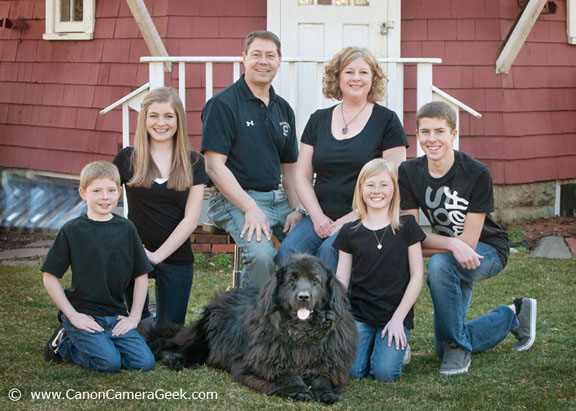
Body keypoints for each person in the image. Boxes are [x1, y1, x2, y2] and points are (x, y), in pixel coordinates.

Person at [398, 101, 537, 376]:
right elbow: (410, 236)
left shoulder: (475, 173)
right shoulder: (408, 172)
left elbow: (470, 242)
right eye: (425, 132)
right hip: (452, 250)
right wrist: (448, 243)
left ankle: (458, 346)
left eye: (440, 131)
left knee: (440, 265)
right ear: (417, 135)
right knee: (441, 350)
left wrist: (441, 245)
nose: (432, 139)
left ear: (454, 134)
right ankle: (514, 314)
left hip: (489, 250)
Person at [276, 46, 408, 273]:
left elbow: (393, 181)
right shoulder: (318, 119)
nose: (356, 78)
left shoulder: (387, 121)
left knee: (331, 251)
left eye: (363, 72)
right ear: (337, 77)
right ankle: (300, 309)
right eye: (349, 71)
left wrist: (347, 219)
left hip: (366, 215)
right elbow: (303, 176)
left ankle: (336, 309)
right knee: (288, 253)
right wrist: (317, 218)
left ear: (373, 78)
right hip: (321, 215)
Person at [201, 30, 304, 289]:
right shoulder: (223, 104)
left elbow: (290, 169)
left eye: (270, 55)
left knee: (310, 245)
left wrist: (296, 209)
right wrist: (250, 208)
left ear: (279, 60)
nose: (263, 61)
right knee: (261, 256)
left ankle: (295, 314)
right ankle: (252, 320)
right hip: (233, 199)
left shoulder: (283, 109)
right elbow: (214, 166)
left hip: (277, 199)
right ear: (244, 58)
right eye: (256, 55)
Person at [42, 161, 155, 373]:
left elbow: (141, 275)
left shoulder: (127, 229)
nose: (105, 197)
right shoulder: (72, 230)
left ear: (119, 192)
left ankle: (102, 342)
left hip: (114, 315)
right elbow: (49, 276)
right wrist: (73, 315)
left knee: (144, 364)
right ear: (83, 193)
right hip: (83, 314)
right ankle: (64, 343)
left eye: (111, 190)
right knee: (109, 364)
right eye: (97, 191)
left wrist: (134, 317)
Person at [113, 87, 209, 327]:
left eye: (168, 116)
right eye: (154, 115)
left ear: (178, 120)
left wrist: (157, 256)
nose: (161, 123)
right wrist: (130, 249)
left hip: (175, 255)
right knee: (139, 330)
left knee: (169, 337)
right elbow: (103, 205)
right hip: (134, 255)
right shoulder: (127, 159)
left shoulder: (194, 162)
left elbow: (191, 218)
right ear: (144, 118)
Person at [334, 158, 425, 382]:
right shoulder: (349, 231)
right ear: (361, 189)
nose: (377, 191)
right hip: (360, 315)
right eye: (370, 185)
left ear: (394, 189)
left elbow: (417, 276)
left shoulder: (407, 226)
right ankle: (372, 342)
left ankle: (396, 346)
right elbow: (341, 280)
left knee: (384, 374)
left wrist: (398, 320)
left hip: (394, 316)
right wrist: (338, 316)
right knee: (353, 372)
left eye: (384, 185)